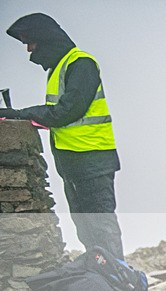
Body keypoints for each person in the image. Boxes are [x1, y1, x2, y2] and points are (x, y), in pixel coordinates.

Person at [1, 13, 125, 260]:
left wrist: (18, 114)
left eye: (30, 42)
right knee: (88, 230)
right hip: (74, 163)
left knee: (100, 227)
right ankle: (104, 284)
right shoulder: (60, 68)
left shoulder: (81, 64)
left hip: (92, 161)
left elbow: (66, 112)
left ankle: (120, 285)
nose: (29, 50)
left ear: (45, 38)